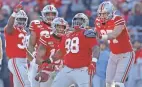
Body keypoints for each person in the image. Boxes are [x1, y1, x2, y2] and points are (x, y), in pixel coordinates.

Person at [49, 13, 99, 87]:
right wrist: (49, 61)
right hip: (67, 69)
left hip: (82, 70)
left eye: (80, 21)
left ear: (85, 22)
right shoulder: (67, 35)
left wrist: (93, 62)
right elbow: (61, 51)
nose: (78, 23)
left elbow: (96, 48)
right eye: (76, 20)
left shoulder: (87, 33)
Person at [94, 1, 135, 87]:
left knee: (118, 83)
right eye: (100, 14)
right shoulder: (98, 21)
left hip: (126, 54)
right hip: (113, 54)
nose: (102, 16)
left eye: (105, 14)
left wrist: (101, 36)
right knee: (108, 83)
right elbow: (96, 34)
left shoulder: (118, 19)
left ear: (111, 12)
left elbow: (114, 34)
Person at [27, 5, 58, 87]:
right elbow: (31, 44)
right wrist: (34, 57)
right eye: (48, 14)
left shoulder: (60, 26)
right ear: (43, 14)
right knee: (34, 84)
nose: (50, 16)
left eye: (53, 14)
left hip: (53, 62)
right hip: (39, 61)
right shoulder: (36, 24)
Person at [34, 17, 68, 87]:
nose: (61, 29)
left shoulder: (68, 39)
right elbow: (38, 58)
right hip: (48, 70)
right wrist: (46, 65)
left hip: (63, 70)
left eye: (63, 27)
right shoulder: (46, 38)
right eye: (58, 27)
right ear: (53, 27)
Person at [4, 2, 30, 87]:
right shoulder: (11, 29)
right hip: (16, 60)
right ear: (15, 19)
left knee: (18, 85)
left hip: (24, 61)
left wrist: (33, 59)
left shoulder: (24, 32)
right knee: (26, 83)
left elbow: (25, 49)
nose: (21, 22)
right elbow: (9, 27)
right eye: (19, 19)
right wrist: (14, 13)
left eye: (23, 19)